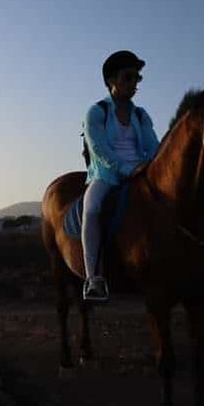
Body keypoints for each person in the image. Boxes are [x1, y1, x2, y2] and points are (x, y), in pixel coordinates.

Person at [82, 51, 160, 301]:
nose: (134, 83)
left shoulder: (141, 115)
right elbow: (99, 150)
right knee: (92, 209)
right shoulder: (96, 112)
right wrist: (126, 169)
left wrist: (152, 166)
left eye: (137, 78)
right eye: (128, 77)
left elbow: (152, 146)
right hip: (107, 175)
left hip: (140, 172)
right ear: (111, 80)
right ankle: (93, 278)